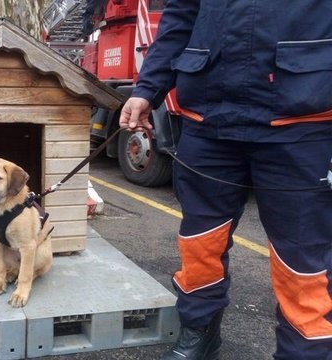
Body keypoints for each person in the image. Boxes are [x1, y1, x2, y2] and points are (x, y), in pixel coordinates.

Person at [118, 1, 332, 359]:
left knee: (303, 258)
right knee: (200, 244)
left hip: (301, 119)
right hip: (209, 119)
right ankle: (199, 333)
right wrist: (146, 89)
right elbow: (182, 17)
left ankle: (306, 353)